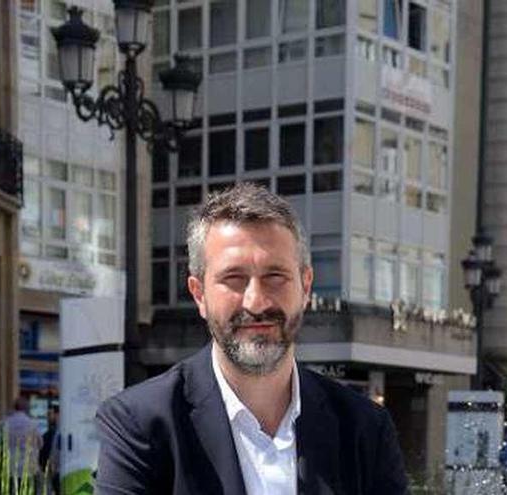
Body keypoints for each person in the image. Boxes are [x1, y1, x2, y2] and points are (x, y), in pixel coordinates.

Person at [96, 184, 407, 494]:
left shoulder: (365, 429)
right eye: (233, 278)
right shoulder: (139, 424)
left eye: (275, 277)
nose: (255, 302)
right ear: (199, 294)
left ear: (306, 287)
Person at [4, 396, 43, 493]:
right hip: (29, 467)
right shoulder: (32, 423)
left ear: (14, 407)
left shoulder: (6, 422)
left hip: (11, 467)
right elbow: (40, 443)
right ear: (26, 408)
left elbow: (0, 443)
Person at [39, 404, 61, 494]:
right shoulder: (47, 434)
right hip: (51, 472)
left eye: (50, 414)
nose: (47, 417)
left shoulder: (59, 432)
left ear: (57, 414)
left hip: (57, 471)